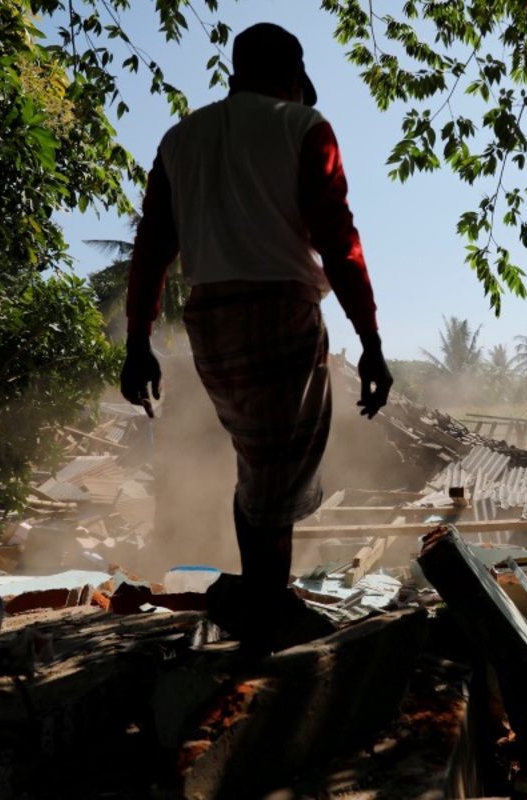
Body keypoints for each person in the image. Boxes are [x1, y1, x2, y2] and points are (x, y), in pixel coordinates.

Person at [119, 21, 392, 654]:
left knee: (260, 466)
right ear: (294, 76)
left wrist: (139, 341)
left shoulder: (179, 139)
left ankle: (261, 598)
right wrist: (371, 339)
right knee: (275, 475)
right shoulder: (303, 127)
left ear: (236, 73)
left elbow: (152, 248)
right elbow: (339, 242)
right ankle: (263, 612)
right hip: (279, 314)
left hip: (211, 321)